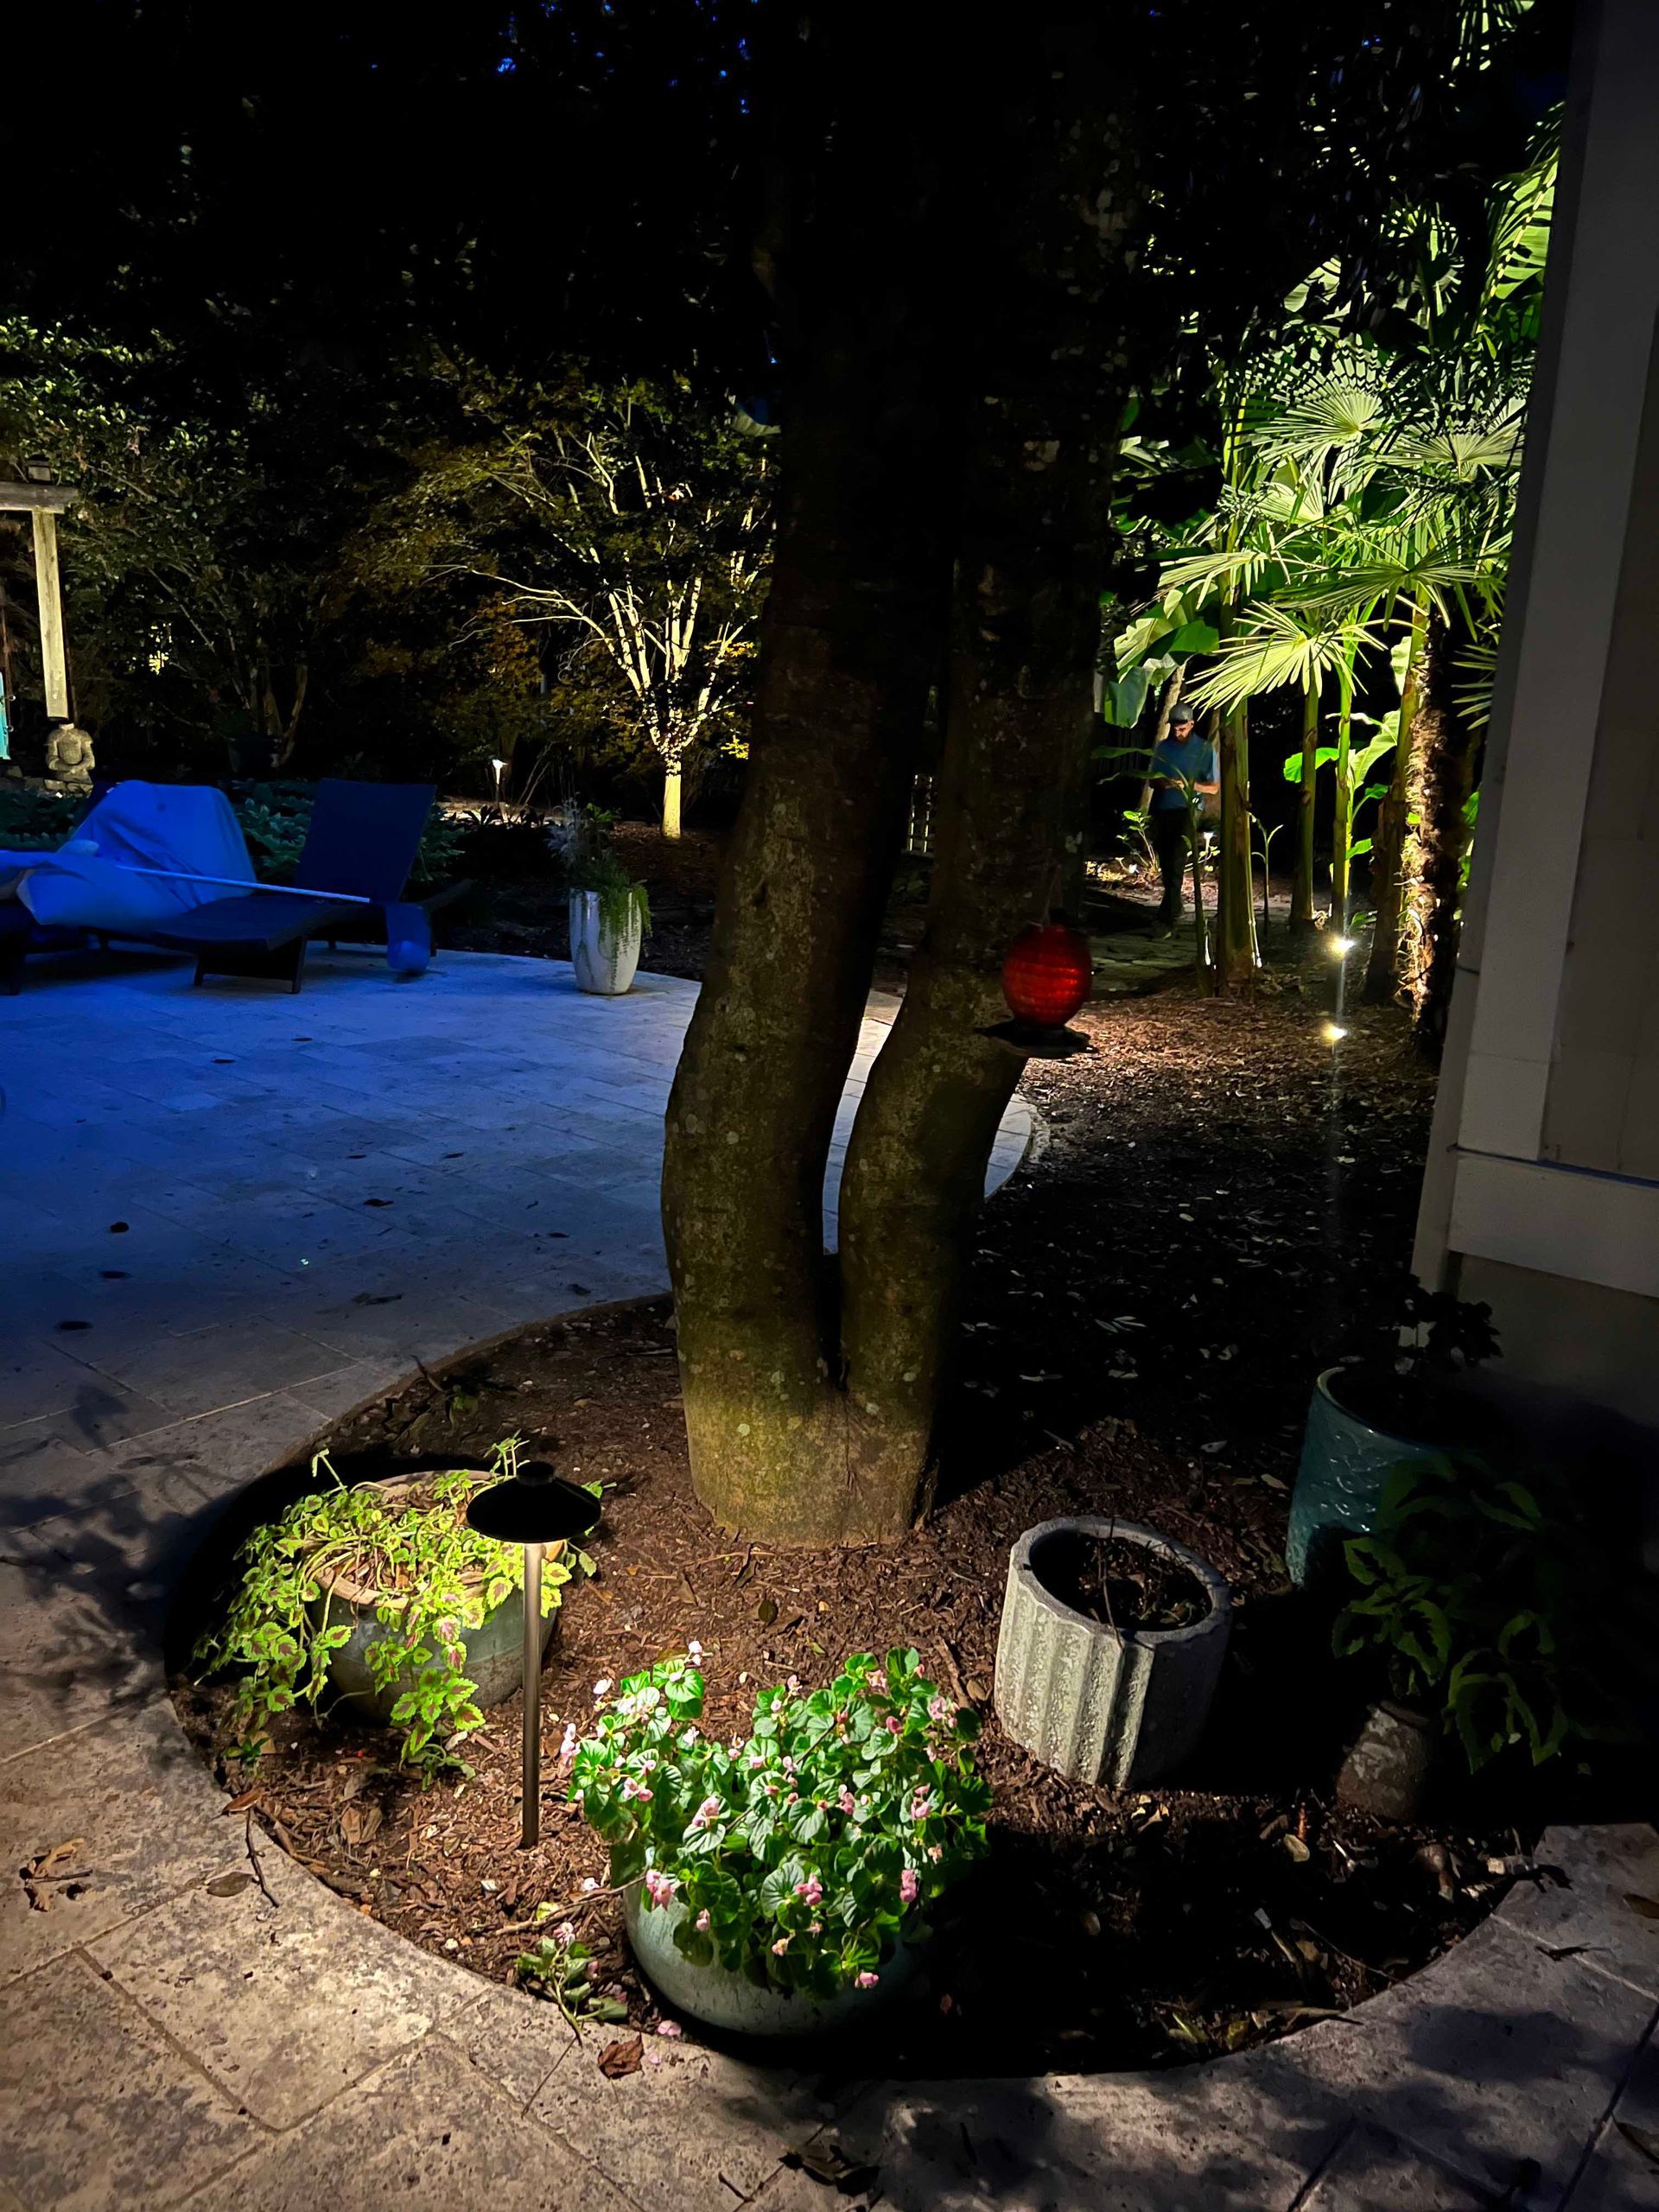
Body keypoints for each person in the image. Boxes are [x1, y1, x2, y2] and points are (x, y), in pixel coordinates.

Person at [1145, 702, 1218, 931]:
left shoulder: (1205, 750)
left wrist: (1190, 785)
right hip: (1163, 808)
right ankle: (1174, 905)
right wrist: (1164, 783)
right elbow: (1152, 780)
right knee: (1166, 860)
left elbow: (1214, 787)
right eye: (1175, 728)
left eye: (1182, 728)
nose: (1178, 732)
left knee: (1177, 858)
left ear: (1191, 725)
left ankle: (1167, 915)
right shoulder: (1164, 748)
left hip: (1188, 809)